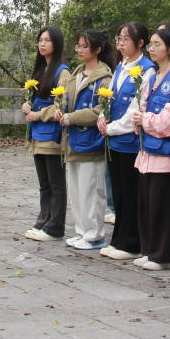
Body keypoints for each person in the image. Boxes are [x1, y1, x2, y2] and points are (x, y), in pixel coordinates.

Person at [97, 22, 154, 260]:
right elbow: (110, 96)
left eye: (126, 39)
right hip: (114, 140)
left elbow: (136, 108)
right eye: (119, 38)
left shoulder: (147, 69)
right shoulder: (121, 66)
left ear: (140, 43)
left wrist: (111, 128)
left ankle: (132, 243)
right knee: (118, 193)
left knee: (131, 193)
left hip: (130, 140)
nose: (120, 43)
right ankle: (118, 239)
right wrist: (102, 116)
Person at [58, 30, 116, 251]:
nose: (79, 50)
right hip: (73, 139)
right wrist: (60, 109)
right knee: (76, 190)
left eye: (85, 46)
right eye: (78, 46)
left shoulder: (105, 77)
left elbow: (100, 110)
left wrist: (71, 117)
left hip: (91, 141)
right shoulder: (76, 73)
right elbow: (65, 99)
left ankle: (95, 235)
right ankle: (82, 231)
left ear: (97, 49)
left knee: (91, 191)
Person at [131, 27, 170, 269]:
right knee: (146, 204)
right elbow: (141, 107)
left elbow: (169, 120)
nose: (151, 49)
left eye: (157, 44)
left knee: (162, 205)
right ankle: (148, 249)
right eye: (150, 44)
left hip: (165, 153)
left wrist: (146, 120)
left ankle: (162, 255)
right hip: (146, 151)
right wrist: (140, 120)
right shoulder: (151, 77)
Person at [22, 27, 70, 242]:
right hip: (37, 133)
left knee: (56, 183)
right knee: (44, 183)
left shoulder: (62, 72)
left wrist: (39, 114)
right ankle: (43, 219)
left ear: (56, 44)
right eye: (40, 40)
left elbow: (62, 104)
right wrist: (26, 106)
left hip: (52, 134)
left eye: (47, 40)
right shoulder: (40, 70)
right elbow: (32, 99)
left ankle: (55, 226)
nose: (42, 44)